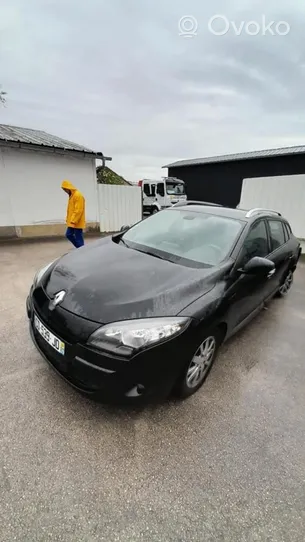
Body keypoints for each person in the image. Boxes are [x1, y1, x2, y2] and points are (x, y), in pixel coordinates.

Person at [61, 180, 86, 248]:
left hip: (76, 221)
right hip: (72, 221)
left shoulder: (77, 195)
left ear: (68, 188)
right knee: (69, 235)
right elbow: (70, 210)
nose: (65, 191)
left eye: (65, 189)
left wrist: (73, 221)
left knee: (78, 238)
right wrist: (68, 219)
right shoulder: (72, 195)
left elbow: (78, 210)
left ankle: (81, 250)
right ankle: (80, 249)